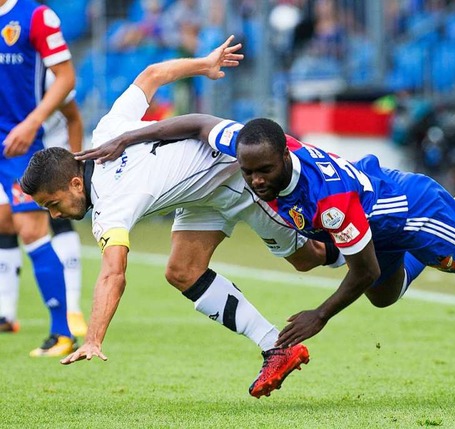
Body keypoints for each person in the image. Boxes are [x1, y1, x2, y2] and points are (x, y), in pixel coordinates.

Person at [74, 113, 455, 349]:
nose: (255, 181)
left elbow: (364, 266)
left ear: (286, 156)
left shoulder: (328, 203)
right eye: (248, 171)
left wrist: (319, 316)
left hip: (405, 208)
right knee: (386, 298)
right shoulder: (247, 143)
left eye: (264, 172)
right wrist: (128, 140)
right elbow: (194, 122)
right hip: (371, 215)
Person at [21, 36, 345, 399]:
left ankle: (371, 248)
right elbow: (151, 74)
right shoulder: (108, 130)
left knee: (309, 258)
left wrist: (93, 339)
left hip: (240, 179)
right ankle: (276, 346)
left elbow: (113, 273)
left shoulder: (111, 206)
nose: (53, 213)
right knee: (182, 271)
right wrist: (203, 64)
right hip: (199, 195)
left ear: (76, 182)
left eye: (53, 203)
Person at [0, 0, 76, 356]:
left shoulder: (36, 16)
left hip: (19, 147)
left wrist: (32, 123)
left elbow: (65, 77)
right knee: (4, 224)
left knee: (31, 231)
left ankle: (62, 333)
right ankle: (6, 314)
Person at [0, 69, 88, 337]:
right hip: (13, 155)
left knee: (52, 221)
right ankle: (5, 313)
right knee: (4, 222)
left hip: (51, 155)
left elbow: (74, 118)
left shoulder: (45, 77)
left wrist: (76, 164)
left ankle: (71, 310)